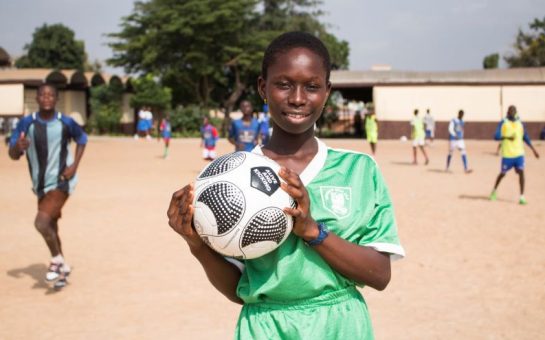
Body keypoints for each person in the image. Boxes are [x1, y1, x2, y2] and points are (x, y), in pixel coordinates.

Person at [167, 31, 404, 339]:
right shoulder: (228, 183)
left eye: (312, 86)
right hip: (265, 327)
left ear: (327, 92)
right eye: (283, 84)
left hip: (341, 326)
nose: (297, 98)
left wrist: (313, 231)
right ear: (263, 88)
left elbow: (380, 275)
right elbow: (240, 291)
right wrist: (197, 245)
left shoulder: (358, 170)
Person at [8, 83, 87, 289]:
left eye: (50, 95)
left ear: (56, 99)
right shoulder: (26, 123)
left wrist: (74, 166)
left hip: (62, 181)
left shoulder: (65, 122)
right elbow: (13, 154)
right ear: (37, 98)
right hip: (40, 185)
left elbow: (82, 139)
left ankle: (55, 263)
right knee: (51, 226)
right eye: (42, 94)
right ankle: (62, 268)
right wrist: (17, 147)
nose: (46, 98)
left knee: (41, 223)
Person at [490, 105, 539, 205]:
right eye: (510, 111)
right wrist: (507, 137)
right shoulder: (503, 123)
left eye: (514, 111)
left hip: (519, 154)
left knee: (521, 172)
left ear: (516, 112)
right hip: (507, 155)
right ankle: (494, 191)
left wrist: (533, 149)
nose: (512, 113)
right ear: (507, 113)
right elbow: (496, 136)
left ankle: (522, 197)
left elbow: (525, 137)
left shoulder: (520, 123)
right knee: (502, 174)